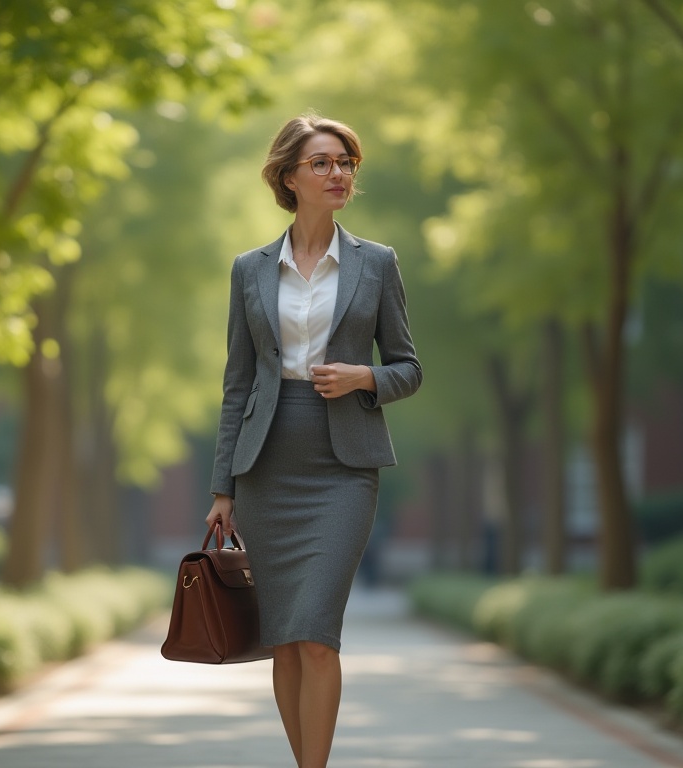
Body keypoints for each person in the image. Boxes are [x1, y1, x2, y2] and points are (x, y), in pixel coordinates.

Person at [205, 113, 422, 768]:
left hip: (343, 467)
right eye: (323, 163)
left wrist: (364, 376)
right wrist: (222, 487)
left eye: (347, 163)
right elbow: (237, 386)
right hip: (268, 465)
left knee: (318, 634)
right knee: (286, 639)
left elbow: (409, 367)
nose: (339, 174)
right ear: (289, 177)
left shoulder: (375, 264)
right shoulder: (250, 270)